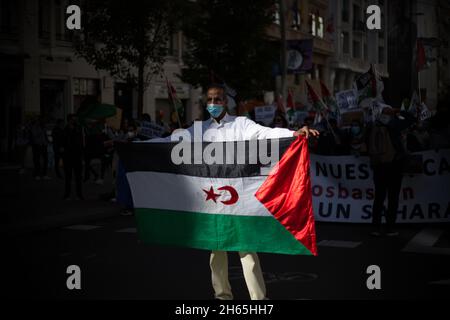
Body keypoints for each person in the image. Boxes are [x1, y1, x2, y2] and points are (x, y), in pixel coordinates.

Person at [152, 84, 319, 300]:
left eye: (218, 99)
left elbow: (265, 133)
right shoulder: (198, 129)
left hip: (239, 201)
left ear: (226, 102)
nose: (213, 104)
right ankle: (222, 296)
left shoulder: (241, 124)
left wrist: (293, 133)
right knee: (216, 252)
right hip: (212, 201)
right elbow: (169, 142)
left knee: (247, 250)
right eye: (210, 100)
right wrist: (138, 143)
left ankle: (259, 299)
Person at [367, 106, 415, 237]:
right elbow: (411, 118)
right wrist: (399, 111)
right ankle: (390, 228)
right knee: (393, 198)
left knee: (379, 197)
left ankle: (375, 227)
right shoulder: (394, 125)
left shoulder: (374, 126)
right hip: (393, 165)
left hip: (379, 166)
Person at [62, 114, 85, 200]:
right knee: (68, 176)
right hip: (68, 156)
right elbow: (63, 142)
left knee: (78, 177)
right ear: (69, 120)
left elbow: (81, 141)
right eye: (73, 119)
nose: (75, 121)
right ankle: (67, 194)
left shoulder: (78, 129)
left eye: (75, 119)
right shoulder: (65, 130)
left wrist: (82, 154)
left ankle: (79, 194)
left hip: (77, 155)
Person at [29, 116, 50, 180]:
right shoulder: (34, 127)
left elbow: (45, 135)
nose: (43, 122)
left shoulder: (44, 127)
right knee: (37, 160)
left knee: (45, 160)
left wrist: (47, 141)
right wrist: (41, 130)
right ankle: (37, 174)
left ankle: (44, 174)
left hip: (44, 145)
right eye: (41, 120)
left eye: (43, 121)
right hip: (37, 145)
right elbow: (34, 135)